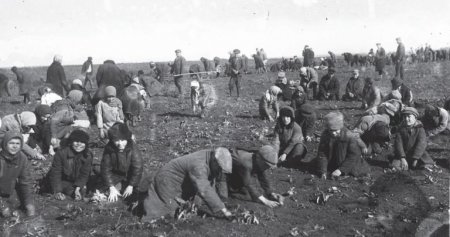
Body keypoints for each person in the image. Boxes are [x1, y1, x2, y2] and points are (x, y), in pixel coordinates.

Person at [142, 147, 234, 221]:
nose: (219, 172)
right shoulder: (199, 165)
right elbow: (204, 189)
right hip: (167, 179)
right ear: (214, 161)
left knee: (185, 205)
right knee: (167, 213)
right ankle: (143, 216)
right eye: (219, 168)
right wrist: (224, 210)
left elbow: (209, 182)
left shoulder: (210, 155)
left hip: (180, 180)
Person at [218, 145, 284, 207]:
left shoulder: (257, 159)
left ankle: (231, 185)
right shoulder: (246, 163)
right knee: (223, 196)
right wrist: (266, 201)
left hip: (235, 168)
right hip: (220, 167)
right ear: (259, 158)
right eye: (267, 165)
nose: (267, 168)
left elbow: (263, 178)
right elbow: (249, 183)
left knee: (248, 194)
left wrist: (271, 193)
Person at [316, 112, 370, 179]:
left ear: (340, 128)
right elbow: (322, 153)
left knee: (356, 171)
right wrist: (323, 171)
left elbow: (353, 156)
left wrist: (341, 170)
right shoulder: (325, 135)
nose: (333, 133)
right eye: (331, 130)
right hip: (332, 160)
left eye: (335, 130)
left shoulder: (349, 136)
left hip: (347, 163)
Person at [101, 123, 143, 202]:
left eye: (123, 140)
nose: (120, 144)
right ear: (112, 140)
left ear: (127, 139)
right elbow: (105, 169)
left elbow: (138, 167)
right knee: (108, 192)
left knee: (139, 191)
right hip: (116, 175)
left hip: (131, 175)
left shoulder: (132, 147)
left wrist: (131, 185)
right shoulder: (109, 148)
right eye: (116, 140)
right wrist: (111, 187)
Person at [50, 130, 93, 201]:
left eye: (82, 142)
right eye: (76, 141)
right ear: (71, 142)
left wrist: (78, 188)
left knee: (82, 192)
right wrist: (57, 191)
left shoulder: (88, 155)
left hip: (76, 181)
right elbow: (56, 173)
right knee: (63, 193)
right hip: (63, 180)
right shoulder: (61, 153)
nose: (79, 144)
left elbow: (84, 174)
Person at [0, 132, 35, 217]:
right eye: (11, 143)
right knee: (5, 214)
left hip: (8, 192)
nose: (15, 146)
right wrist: (2, 206)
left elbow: (26, 182)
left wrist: (29, 203)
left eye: (17, 143)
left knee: (26, 210)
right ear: (5, 144)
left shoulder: (22, 158)